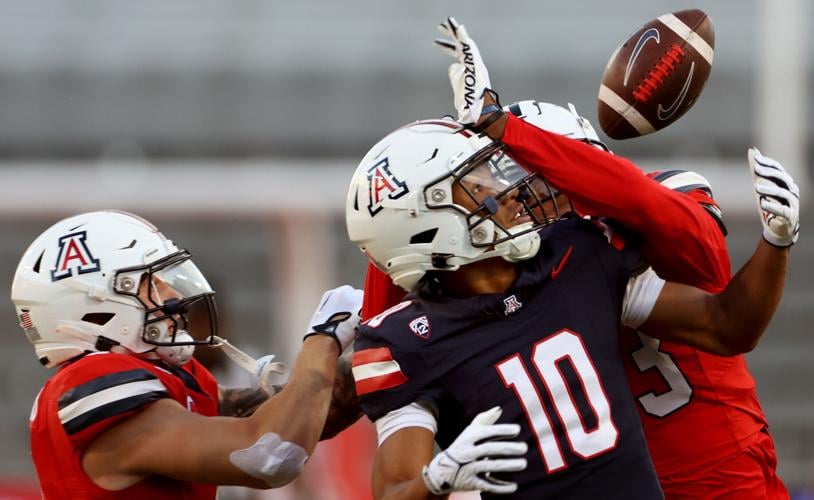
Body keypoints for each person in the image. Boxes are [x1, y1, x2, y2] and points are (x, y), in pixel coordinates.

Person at [343, 19, 799, 499]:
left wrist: (505, 129)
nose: (513, 196)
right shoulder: (517, 273)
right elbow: (406, 268)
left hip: (716, 470)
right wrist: (406, 194)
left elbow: (719, 303)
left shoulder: (605, 238)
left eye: (528, 176)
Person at [12, 210, 364, 499]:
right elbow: (268, 455)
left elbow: (295, 413)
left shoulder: (164, 380)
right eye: (151, 283)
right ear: (95, 308)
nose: (172, 297)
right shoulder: (92, 380)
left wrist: (379, 347)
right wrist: (325, 338)